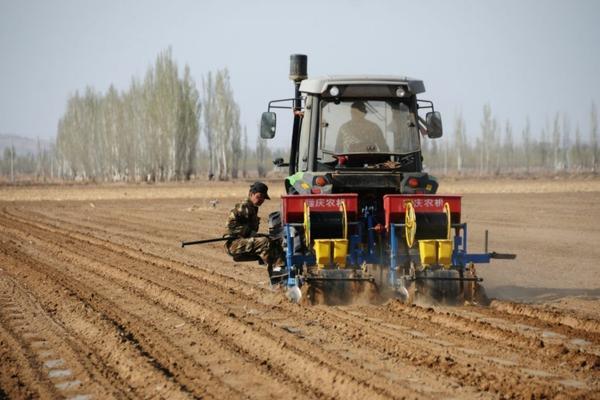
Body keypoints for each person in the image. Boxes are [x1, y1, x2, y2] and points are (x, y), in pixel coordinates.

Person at [225, 181, 286, 281]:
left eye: (263, 198)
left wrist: (257, 235)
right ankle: (278, 271)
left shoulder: (253, 209)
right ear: (251, 194)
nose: (261, 200)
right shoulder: (243, 207)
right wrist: (249, 233)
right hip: (234, 244)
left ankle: (279, 274)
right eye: (259, 196)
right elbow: (230, 226)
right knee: (265, 242)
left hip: (245, 242)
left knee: (274, 242)